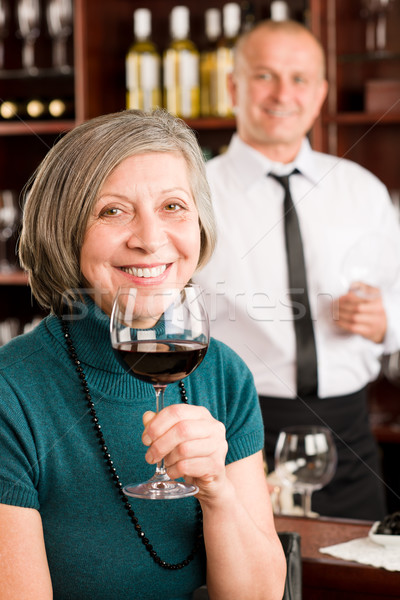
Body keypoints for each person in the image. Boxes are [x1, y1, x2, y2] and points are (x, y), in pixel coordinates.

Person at [0, 109, 286, 600]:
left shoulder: (224, 374)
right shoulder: (13, 391)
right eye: (112, 210)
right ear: (64, 229)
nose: (151, 239)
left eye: (174, 206)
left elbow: (258, 596)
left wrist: (217, 492)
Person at [195, 20, 400, 521]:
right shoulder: (191, 193)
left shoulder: (362, 188)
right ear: (234, 87)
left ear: (321, 92)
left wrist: (386, 320)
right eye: (265, 75)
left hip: (349, 435)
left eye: (300, 78)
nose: (283, 93)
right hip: (234, 427)